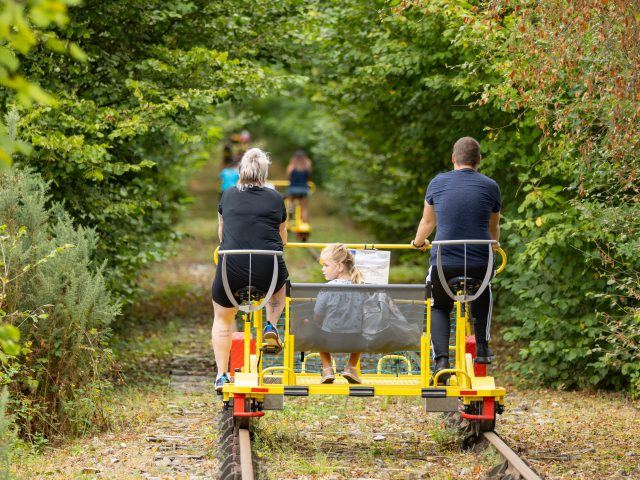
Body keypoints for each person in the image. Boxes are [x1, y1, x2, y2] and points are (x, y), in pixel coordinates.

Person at [411, 137, 501, 385]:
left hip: (444, 260)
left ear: (453, 158)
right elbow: (494, 227)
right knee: (484, 291)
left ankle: (441, 362)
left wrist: (418, 242)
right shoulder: (491, 186)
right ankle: (482, 349)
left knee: (440, 306)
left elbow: (428, 223)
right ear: (479, 160)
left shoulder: (438, 182)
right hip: (479, 260)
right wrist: (493, 247)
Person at [211, 148, 289, 392]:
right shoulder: (276, 199)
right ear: (264, 173)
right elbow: (282, 239)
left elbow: (222, 234)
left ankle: (222, 374)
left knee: (223, 319)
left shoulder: (227, 195)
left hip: (231, 267)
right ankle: (271, 324)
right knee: (281, 283)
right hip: (268, 269)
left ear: (241, 171)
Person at [314, 243, 365, 384]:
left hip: (329, 339)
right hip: (355, 341)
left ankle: (328, 369)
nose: (323, 269)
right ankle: (350, 367)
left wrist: (316, 323)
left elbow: (317, 314)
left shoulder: (327, 288)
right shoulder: (362, 287)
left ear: (340, 267)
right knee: (364, 328)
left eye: (326, 265)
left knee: (315, 328)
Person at [285, 150, 312, 223]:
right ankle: (304, 225)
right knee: (303, 209)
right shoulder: (307, 165)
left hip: (293, 189)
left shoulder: (291, 166)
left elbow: (288, 177)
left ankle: (290, 222)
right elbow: (309, 176)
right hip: (304, 189)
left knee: (290, 205)